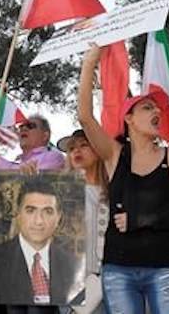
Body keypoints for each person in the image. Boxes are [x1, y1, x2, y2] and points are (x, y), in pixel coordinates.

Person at [78, 45, 169, 314]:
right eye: (147, 107)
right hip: (118, 270)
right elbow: (85, 117)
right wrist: (89, 65)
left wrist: (141, 219)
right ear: (129, 118)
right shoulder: (113, 153)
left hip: (164, 266)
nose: (156, 112)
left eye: (158, 108)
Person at [0, 179, 82, 307]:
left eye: (48, 211)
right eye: (30, 211)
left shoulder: (73, 266)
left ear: (58, 217)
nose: (39, 221)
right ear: (18, 214)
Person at [57, 129, 108, 314]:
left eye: (84, 145)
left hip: (111, 281)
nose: (76, 151)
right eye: (71, 148)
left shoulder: (115, 191)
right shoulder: (60, 191)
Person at [0, 114, 65, 172]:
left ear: (45, 135)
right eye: (21, 127)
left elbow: (34, 181)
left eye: (30, 126)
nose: (24, 129)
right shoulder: (17, 161)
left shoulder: (54, 157)